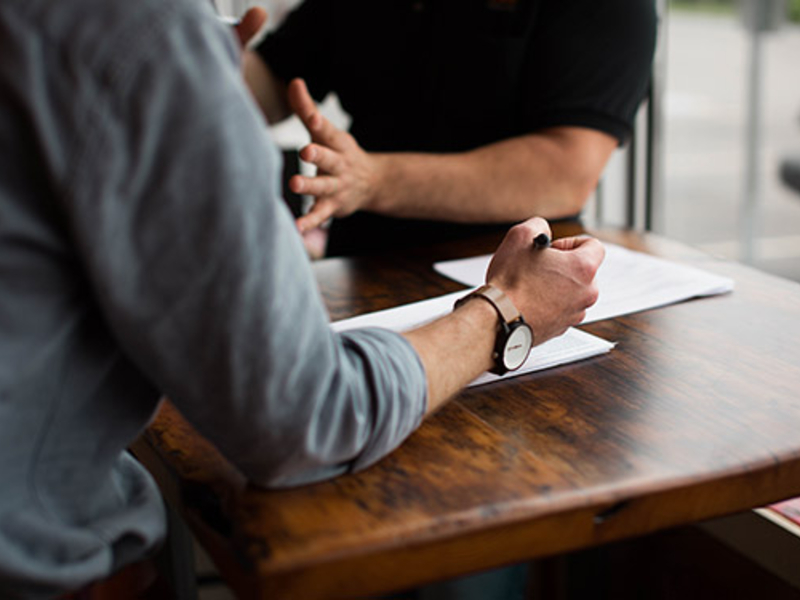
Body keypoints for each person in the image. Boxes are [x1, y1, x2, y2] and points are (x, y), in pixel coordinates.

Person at [0, 0, 604, 597]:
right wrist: (506, 311)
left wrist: (196, 82)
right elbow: (302, 415)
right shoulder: (140, 31)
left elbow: (568, 166)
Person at [242, 0, 658, 256]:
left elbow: (565, 170)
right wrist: (202, 70)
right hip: (362, 268)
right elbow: (276, 79)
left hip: (510, 281)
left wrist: (372, 179)